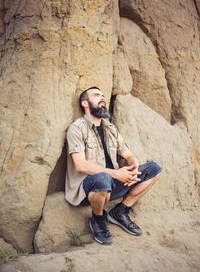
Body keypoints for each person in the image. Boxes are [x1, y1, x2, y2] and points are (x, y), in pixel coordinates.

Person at [65, 86, 161, 245]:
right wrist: (116, 174)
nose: (102, 98)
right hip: (88, 188)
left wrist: (133, 165)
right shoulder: (77, 128)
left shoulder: (110, 127)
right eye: (97, 95)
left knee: (154, 169)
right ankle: (98, 219)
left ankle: (120, 212)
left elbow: (126, 153)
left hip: (112, 183)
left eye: (103, 95)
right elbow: (80, 165)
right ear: (85, 103)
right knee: (103, 178)